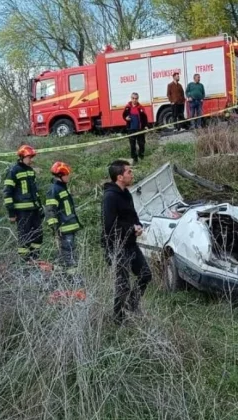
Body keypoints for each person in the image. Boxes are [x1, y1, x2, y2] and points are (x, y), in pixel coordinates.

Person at [101, 159, 153, 324]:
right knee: (122, 284)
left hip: (130, 243)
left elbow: (132, 216)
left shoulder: (126, 194)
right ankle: (118, 319)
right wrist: (130, 229)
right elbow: (109, 224)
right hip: (116, 246)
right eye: (129, 172)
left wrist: (138, 226)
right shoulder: (110, 197)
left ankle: (131, 305)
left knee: (145, 274)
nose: (132, 174)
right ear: (119, 177)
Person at [3, 145, 44, 262]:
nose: (31, 160)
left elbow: (35, 191)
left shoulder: (30, 171)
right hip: (22, 211)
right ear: (21, 157)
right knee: (25, 236)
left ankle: (35, 258)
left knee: (38, 234)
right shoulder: (13, 171)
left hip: (34, 209)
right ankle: (25, 261)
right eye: (29, 157)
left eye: (31, 157)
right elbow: (7, 193)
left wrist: (39, 207)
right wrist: (11, 213)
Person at [45, 161, 82, 276]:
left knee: (64, 256)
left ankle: (59, 277)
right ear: (61, 175)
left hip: (69, 227)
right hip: (64, 228)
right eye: (67, 174)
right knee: (68, 256)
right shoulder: (54, 190)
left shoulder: (62, 188)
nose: (69, 176)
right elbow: (50, 210)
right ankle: (73, 280)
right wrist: (55, 228)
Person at [122, 92, 149, 164]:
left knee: (141, 144)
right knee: (132, 145)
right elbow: (124, 115)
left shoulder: (141, 108)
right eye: (133, 98)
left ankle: (141, 156)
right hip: (131, 129)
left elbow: (145, 118)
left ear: (138, 99)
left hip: (140, 129)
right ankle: (134, 158)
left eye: (136, 98)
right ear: (131, 98)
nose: (134, 100)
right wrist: (126, 118)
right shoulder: (127, 107)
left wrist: (146, 126)